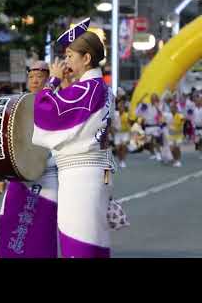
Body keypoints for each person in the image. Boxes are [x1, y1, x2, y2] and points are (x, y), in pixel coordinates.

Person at [31, 18, 127, 258]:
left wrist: (52, 81)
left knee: (78, 244)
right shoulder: (103, 90)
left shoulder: (87, 89)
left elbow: (45, 109)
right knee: (94, 242)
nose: (65, 62)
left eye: (70, 56)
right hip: (97, 170)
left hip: (81, 175)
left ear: (86, 58)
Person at [0, 60, 60, 258]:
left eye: (39, 77)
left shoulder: (57, 104)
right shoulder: (17, 105)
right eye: (30, 77)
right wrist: (0, 173)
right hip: (19, 175)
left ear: (48, 79)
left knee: (43, 228)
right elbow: (7, 141)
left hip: (47, 176)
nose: (34, 81)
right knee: (9, 223)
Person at [136, 94, 163, 161]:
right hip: (148, 126)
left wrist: (157, 107)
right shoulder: (147, 105)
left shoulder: (160, 105)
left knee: (155, 140)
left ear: (156, 99)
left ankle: (158, 153)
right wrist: (141, 100)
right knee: (150, 141)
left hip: (156, 126)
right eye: (152, 98)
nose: (153, 99)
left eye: (154, 98)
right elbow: (139, 110)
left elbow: (161, 114)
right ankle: (152, 153)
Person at [164, 102, 185, 167]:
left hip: (178, 134)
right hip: (171, 135)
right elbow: (161, 118)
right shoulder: (167, 115)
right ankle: (175, 160)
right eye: (171, 108)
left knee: (177, 148)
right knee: (172, 148)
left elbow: (183, 121)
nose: (172, 109)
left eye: (174, 107)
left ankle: (178, 160)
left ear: (176, 108)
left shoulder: (180, 115)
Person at [113, 100, 131, 168]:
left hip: (125, 133)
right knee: (117, 148)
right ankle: (120, 160)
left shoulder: (126, 115)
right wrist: (112, 129)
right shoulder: (115, 114)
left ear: (124, 108)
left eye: (122, 107)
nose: (121, 108)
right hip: (117, 133)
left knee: (123, 147)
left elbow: (129, 125)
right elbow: (111, 123)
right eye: (120, 106)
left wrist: (130, 134)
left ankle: (123, 161)